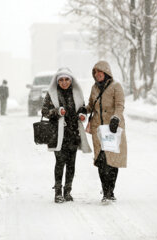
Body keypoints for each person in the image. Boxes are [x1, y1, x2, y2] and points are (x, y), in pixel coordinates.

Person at [41, 67, 91, 203]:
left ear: (71, 80)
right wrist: (57, 112)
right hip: (57, 134)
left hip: (73, 134)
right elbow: (44, 111)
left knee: (71, 164)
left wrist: (82, 114)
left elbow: (83, 108)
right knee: (59, 162)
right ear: (57, 81)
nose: (64, 82)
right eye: (61, 80)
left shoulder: (77, 92)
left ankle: (68, 191)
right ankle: (58, 192)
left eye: (67, 79)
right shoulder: (52, 94)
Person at [86, 60, 127, 202]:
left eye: (100, 71)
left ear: (106, 72)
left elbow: (120, 105)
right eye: (95, 72)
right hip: (98, 129)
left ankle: (111, 190)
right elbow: (91, 105)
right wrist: (83, 110)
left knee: (112, 161)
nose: (97, 74)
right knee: (101, 160)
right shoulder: (94, 88)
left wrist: (116, 118)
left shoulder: (116, 86)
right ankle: (106, 192)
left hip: (112, 128)